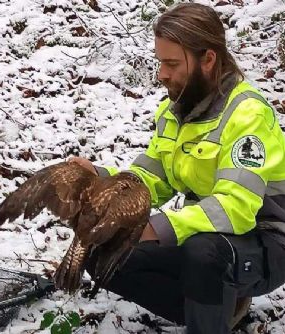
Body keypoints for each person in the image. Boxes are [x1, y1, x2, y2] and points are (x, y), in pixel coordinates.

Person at [71, 3, 285, 334]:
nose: (162, 74)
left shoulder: (248, 116)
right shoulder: (175, 113)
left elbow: (236, 208)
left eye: (172, 63)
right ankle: (220, 308)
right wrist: (100, 182)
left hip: (266, 242)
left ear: (208, 59)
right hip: (206, 233)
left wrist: (155, 227)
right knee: (101, 251)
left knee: (204, 252)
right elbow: (151, 179)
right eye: (161, 62)